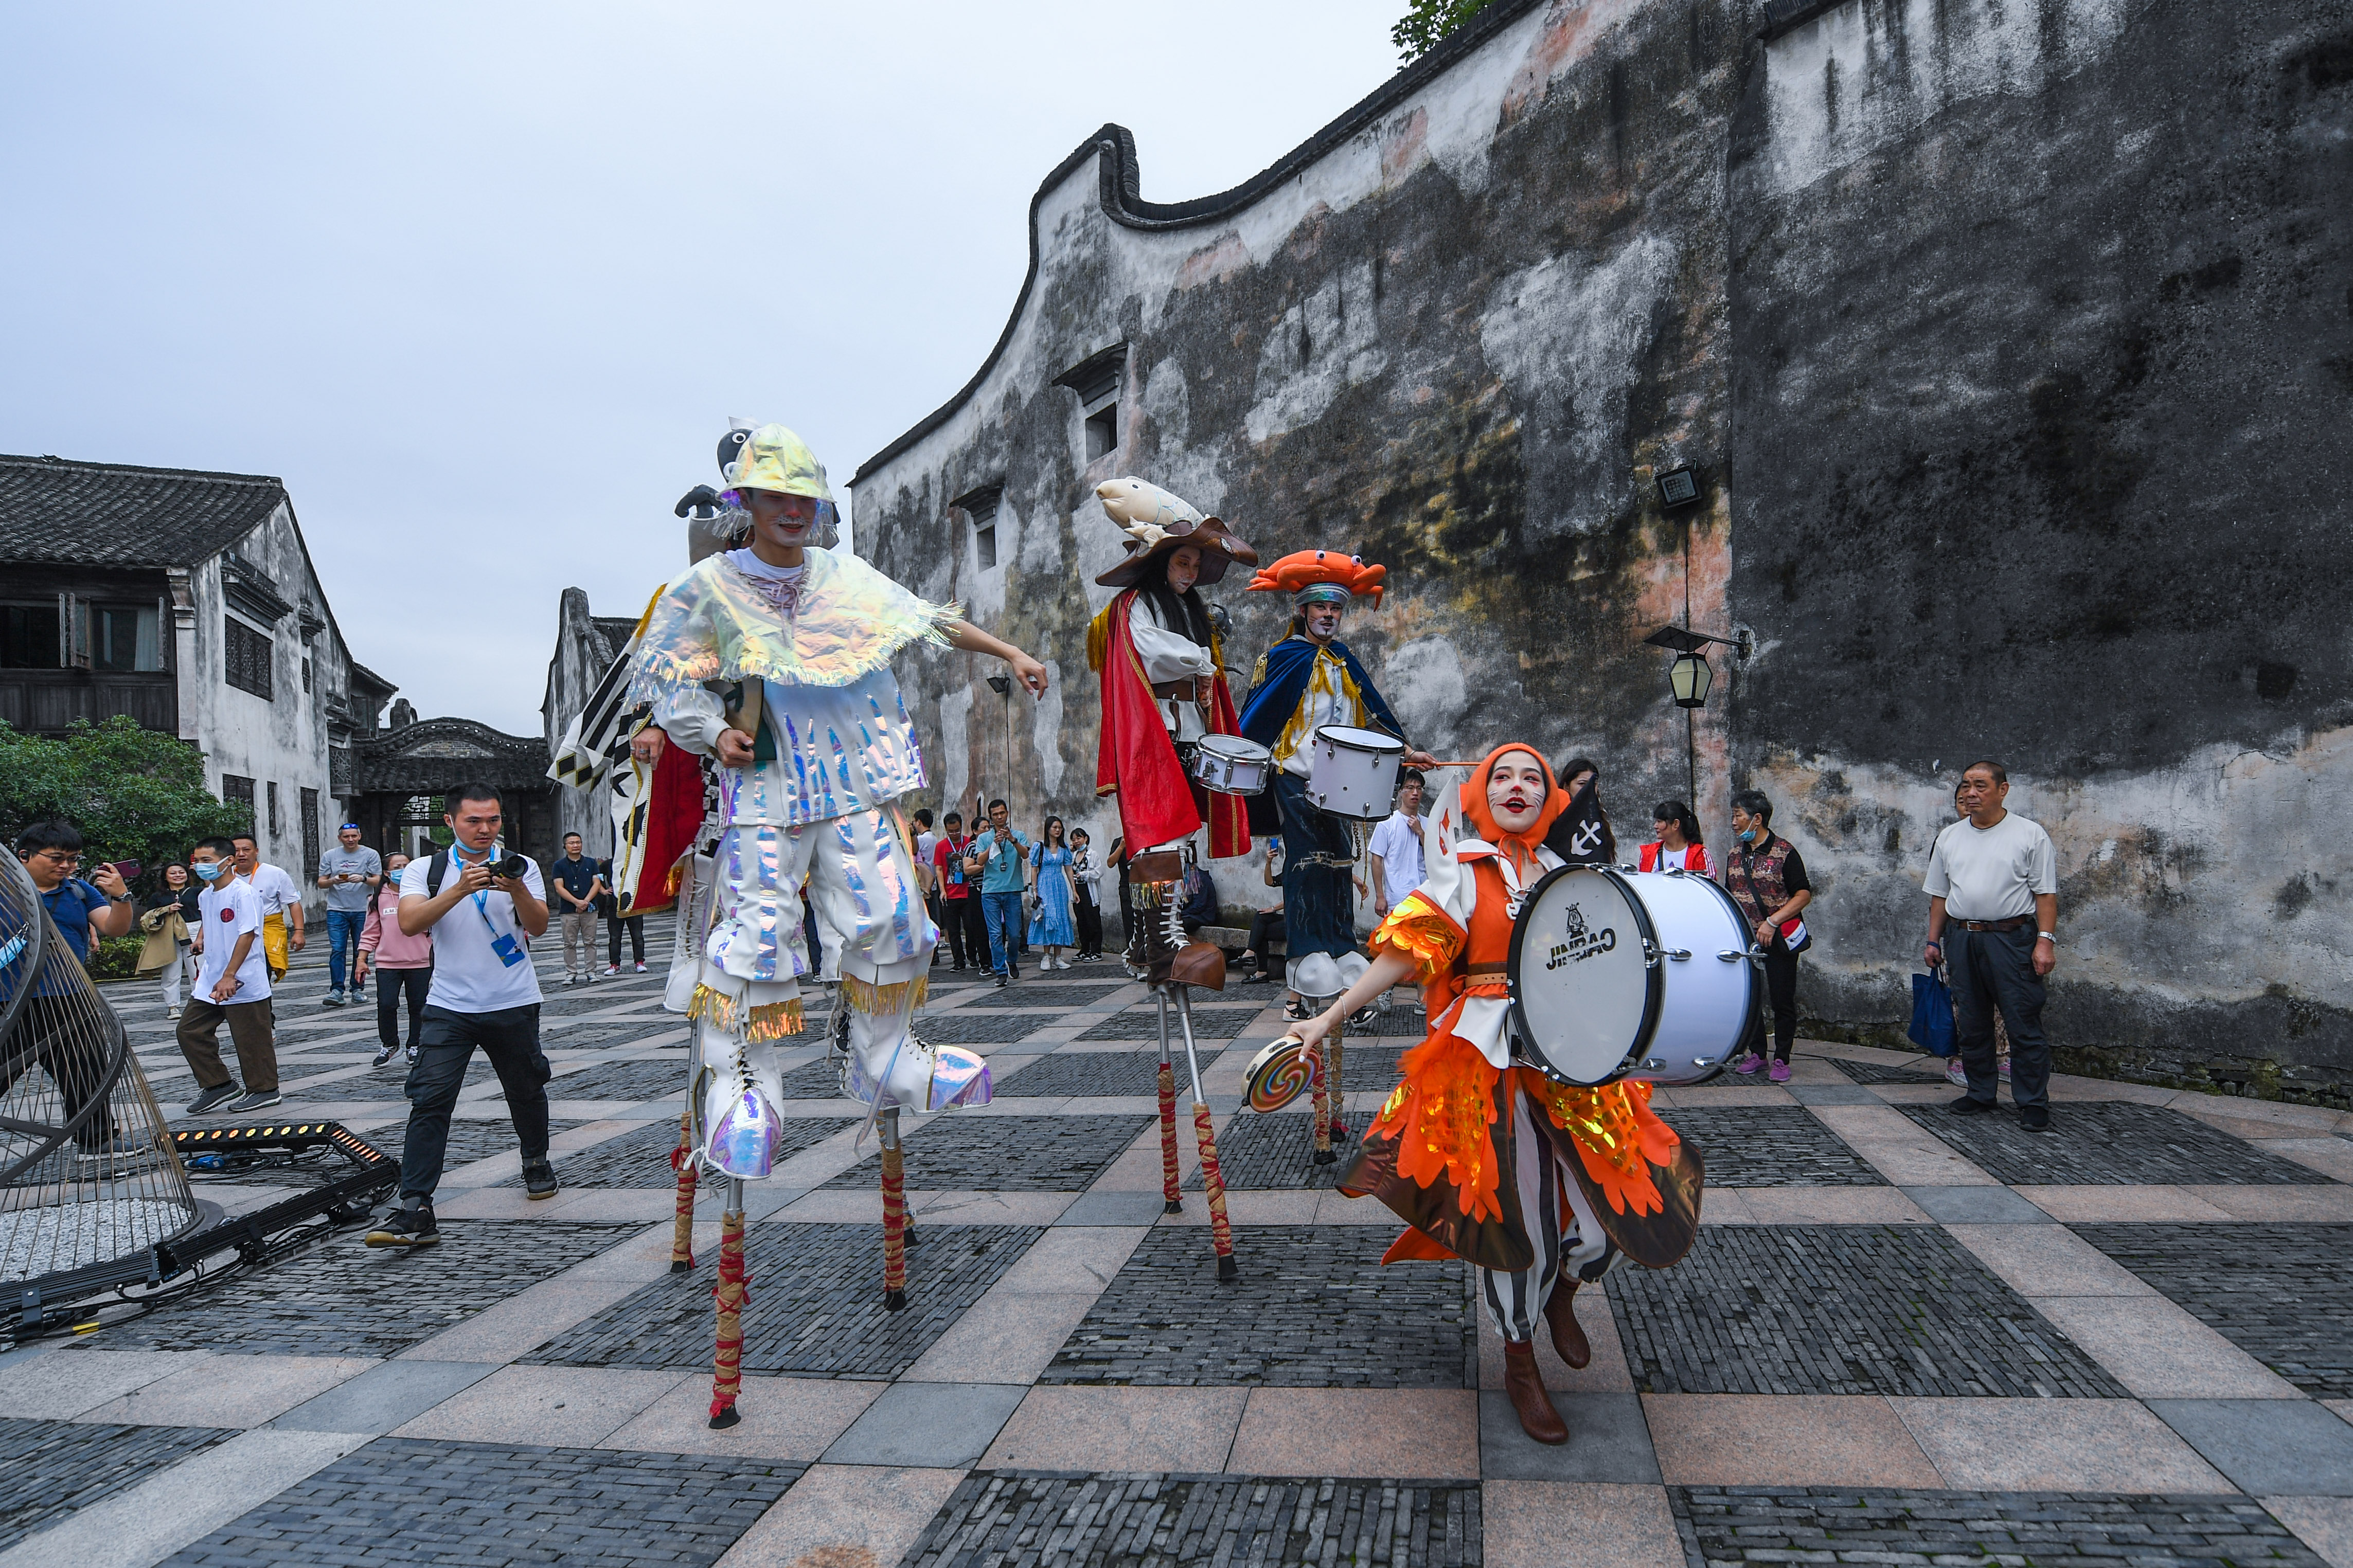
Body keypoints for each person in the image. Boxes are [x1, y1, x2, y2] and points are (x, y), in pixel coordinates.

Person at [623, 421, 1044, 1423]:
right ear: (749, 505)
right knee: (759, 944)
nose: (793, 508)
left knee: (897, 919)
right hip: (767, 793)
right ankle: (742, 1087)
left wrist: (1015, 650)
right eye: (776, 496)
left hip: (855, 787)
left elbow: (933, 622)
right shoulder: (711, 591)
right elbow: (665, 678)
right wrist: (708, 730)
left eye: (804, 495)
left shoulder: (846, 578)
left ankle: (885, 1053)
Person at [1296, 747, 1701, 1445]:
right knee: (1517, 1225)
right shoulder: (1461, 868)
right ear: (1483, 793)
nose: (1518, 786)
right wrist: (1330, 1014)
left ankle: (1566, 1293)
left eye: (1532, 777)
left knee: (1611, 1207)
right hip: (1485, 1067)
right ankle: (1519, 1361)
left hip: (1570, 1064)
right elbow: (1405, 954)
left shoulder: (1565, 874)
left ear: (1548, 797)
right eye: (1503, 776)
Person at [1237, 549, 1436, 1017]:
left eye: (1337, 608)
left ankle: (1342, 947)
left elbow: (1374, 712)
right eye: (1321, 607)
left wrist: (1408, 752)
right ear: (1302, 610)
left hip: (1341, 782)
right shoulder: (1283, 657)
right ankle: (1306, 955)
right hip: (1294, 774)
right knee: (1306, 860)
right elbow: (1256, 717)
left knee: (1340, 861)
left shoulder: (1346, 659)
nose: (1329, 615)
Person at [366, 782, 558, 1247]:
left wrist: (514, 887)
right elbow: (411, 923)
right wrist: (457, 889)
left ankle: (535, 1159)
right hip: (449, 1005)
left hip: (513, 999)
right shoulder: (424, 869)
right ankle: (415, 1207)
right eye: (474, 821)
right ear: (450, 822)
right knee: (430, 1100)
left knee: (526, 1088)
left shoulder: (522, 866)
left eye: (493, 820)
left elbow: (538, 926)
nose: (485, 830)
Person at [1085, 478, 1257, 913]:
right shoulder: (1135, 604)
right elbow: (1152, 651)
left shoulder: (1192, 608)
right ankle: (1157, 935)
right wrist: (1201, 660)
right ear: (1162, 560)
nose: (1190, 573)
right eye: (1183, 562)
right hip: (1155, 726)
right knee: (1160, 825)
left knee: (1182, 829)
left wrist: (1204, 678)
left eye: (1196, 566)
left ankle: (1171, 924)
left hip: (1190, 728)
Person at [1923, 760, 2058, 1131]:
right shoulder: (1950, 837)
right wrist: (1934, 940)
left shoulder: (2029, 835)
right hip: (1962, 936)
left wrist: (2044, 943)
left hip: (2011, 938)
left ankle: (2032, 1101)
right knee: (1972, 1019)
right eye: (1966, 785)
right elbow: (1939, 894)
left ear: (2003, 790)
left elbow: (2045, 895)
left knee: (2022, 1019)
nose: (1971, 793)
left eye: (1981, 785)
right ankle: (1981, 1090)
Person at [6, 822, 136, 1146]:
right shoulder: (5, 890)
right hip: (9, 999)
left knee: (86, 1071)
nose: (66, 866)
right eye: (57, 858)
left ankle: (96, 1139)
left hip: (69, 997)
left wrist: (121, 896)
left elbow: (113, 928)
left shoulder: (79, 891)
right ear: (25, 856)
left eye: (73, 859)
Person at [175, 835, 281, 1115]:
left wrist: (230, 975)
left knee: (250, 1039)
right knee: (189, 1031)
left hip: (242, 978)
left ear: (228, 861)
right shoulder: (205, 894)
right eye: (197, 861)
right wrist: (201, 939)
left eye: (207, 861)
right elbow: (210, 923)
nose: (200, 866)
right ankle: (218, 1084)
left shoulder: (243, 893)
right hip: (212, 979)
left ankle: (265, 1090)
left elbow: (248, 934)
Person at [1724, 790, 1812, 1084]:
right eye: (1734, 816)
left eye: (1738, 815)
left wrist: (1773, 922)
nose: (1734, 822)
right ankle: (1758, 1054)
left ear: (1757, 819)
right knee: (1750, 998)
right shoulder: (1735, 854)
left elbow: (1803, 894)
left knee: (1781, 999)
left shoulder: (1785, 853)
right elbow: (1731, 895)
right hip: (1746, 940)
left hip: (1779, 939)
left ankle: (1782, 1059)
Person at [358, 850, 431, 1069]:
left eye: (407, 866)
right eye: (397, 867)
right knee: (387, 1004)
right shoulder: (377, 899)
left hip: (420, 961)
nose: (403, 871)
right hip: (387, 963)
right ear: (387, 873)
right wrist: (362, 959)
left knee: (418, 1005)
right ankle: (390, 1044)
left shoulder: (424, 895)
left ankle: (415, 1045)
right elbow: (370, 932)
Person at [315, 823, 382, 1007]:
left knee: (360, 950)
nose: (350, 840)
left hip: (363, 909)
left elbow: (378, 879)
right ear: (340, 838)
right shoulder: (330, 856)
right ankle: (337, 990)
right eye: (346, 837)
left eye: (354, 836)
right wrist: (333, 881)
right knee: (338, 949)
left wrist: (362, 879)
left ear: (360, 836)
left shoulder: (370, 854)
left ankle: (358, 989)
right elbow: (321, 882)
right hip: (337, 909)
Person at [967, 799, 1032, 987]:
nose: (999, 817)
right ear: (991, 817)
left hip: (1012, 890)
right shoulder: (984, 838)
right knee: (995, 934)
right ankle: (1001, 971)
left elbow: (1025, 855)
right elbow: (980, 860)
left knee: (1014, 934)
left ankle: (1011, 960)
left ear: (1007, 814)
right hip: (990, 892)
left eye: (1002, 813)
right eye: (995, 815)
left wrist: (1013, 840)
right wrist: (993, 845)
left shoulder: (1018, 834)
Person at [231, 833, 304, 984]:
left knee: (263, 971)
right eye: (236, 851)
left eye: (246, 850)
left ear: (256, 851)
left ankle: (264, 1004)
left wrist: (299, 932)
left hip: (267, 928)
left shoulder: (275, 874)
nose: (241, 854)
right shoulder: (225, 875)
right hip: (235, 930)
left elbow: (293, 903)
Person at [141, 861, 201, 1019]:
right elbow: (149, 916)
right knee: (171, 972)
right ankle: (173, 1006)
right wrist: (167, 909)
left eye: (181, 872)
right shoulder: (159, 896)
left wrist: (202, 873)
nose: (178, 876)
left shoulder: (196, 891)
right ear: (166, 877)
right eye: (173, 873)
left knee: (197, 970)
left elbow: (213, 896)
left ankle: (199, 1004)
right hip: (169, 936)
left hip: (194, 931)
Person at [1368, 769, 1428, 921]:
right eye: (1410, 788)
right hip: (1398, 897)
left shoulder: (1429, 823)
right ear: (1401, 792)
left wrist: (1421, 833)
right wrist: (1380, 896)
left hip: (1426, 895)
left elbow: (1437, 858)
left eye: (1419, 788)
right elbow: (1376, 860)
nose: (1415, 793)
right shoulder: (1387, 822)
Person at [547, 832, 604, 985]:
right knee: (569, 943)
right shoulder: (559, 865)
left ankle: (591, 972)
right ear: (565, 846)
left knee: (590, 942)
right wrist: (576, 902)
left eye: (578, 842)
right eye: (571, 843)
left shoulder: (591, 863)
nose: (575, 845)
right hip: (568, 910)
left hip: (590, 909)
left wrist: (585, 902)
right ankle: (571, 973)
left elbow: (597, 883)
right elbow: (559, 888)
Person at [932, 812, 986, 970]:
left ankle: (972, 956)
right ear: (946, 830)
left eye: (957, 830)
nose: (955, 834)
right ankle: (958, 961)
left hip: (969, 891)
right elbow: (939, 869)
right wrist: (943, 890)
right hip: (950, 893)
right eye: (951, 831)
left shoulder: (970, 842)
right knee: (953, 930)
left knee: (971, 927)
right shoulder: (941, 846)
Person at [1545, 758, 1617, 866]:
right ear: (1567, 787)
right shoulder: (1553, 816)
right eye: (1582, 784)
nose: (1589, 789)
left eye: (1594, 784)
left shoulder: (1598, 818)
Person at [1028, 816, 1077, 969]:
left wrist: (1074, 890)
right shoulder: (1040, 847)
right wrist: (1035, 890)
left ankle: (1058, 956)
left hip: (1059, 885)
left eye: (1060, 828)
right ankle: (1046, 956)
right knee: (1048, 916)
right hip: (1044, 884)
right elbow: (1034, 869)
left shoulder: (1064, 849)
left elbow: (1069, 869)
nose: (1057, 830)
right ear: (1048, 829)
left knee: (1061, 916)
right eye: (1055, 827)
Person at [600, 851, 648, 975]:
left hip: (633, 905)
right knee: (615, 937)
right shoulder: (608, 864)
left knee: (637, 936)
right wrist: (604, 890)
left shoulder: (636, 861)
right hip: (615, 906)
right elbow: (597, 876)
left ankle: (639, 962)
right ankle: (615, 964)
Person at [1639, 801, 1710, 873]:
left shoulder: (1700, 855)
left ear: (1676, 824)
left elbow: (1708, 883)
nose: (1655, 826)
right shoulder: (1648, 854)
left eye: (1659, 821)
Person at [1069, 827, 1103, 961]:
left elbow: (1099, 872)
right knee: (1081, 922)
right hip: (1077, 891)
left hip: (1090, 891)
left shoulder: (1093, 854)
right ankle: (1085, 949)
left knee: (1093, 921)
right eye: (1074, 839)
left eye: (1079, 838)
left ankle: (1096, 951)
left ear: (1086, 838)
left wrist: (1085, 875)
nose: (1077, 841)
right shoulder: (1073, 855)